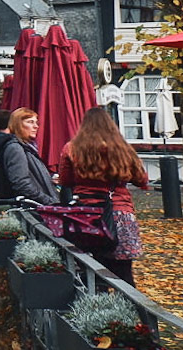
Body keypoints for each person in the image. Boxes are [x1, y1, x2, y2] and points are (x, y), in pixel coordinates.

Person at [60, 107, 149, 285]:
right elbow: (142, 180)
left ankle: (95, 308)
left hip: (87, 217)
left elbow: (65, 180)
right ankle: (131, 310)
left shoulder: (71, 149)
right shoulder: (122, 149)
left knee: (91, 269)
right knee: (124, 273)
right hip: (119, 214)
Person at [0, 107, 57, 205]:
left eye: (36, 122)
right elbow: (22, 183)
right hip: (34, 211)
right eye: (30, 122)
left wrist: (49, 179)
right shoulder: (15, 148)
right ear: (18, 124)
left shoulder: (26, 147)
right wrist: (48, 201)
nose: (36, 126)